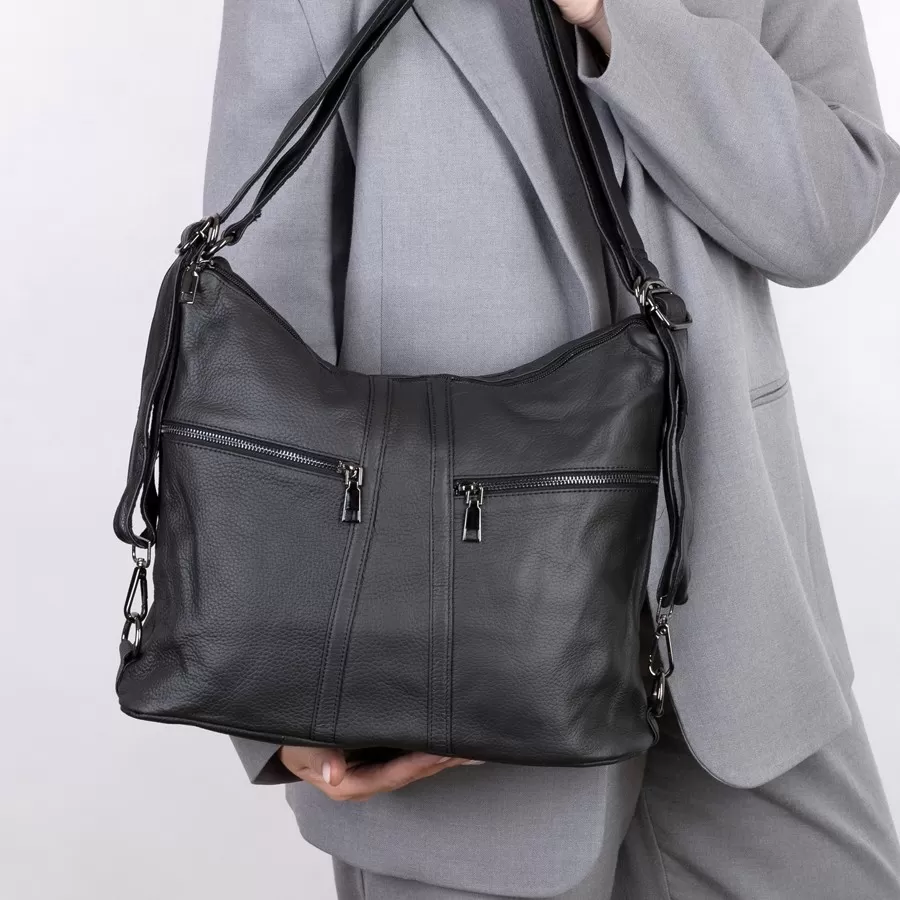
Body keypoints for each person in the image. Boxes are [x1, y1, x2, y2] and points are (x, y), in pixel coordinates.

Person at [201, 0, 900, 897]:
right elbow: (257, 308)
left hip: (735, 617)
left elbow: (831, 209)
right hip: (441, 643)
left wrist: (616, 16)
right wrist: (278, 686)